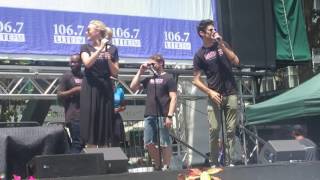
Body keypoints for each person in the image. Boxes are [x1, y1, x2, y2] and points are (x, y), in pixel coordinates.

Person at [192, 19, 240, 166]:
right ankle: (213, 162)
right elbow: (196, 80)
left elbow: (236, 60)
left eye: (214, 29)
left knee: (231, 129)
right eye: (210, 30)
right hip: (214, 95)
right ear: (202, 33)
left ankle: (230, 160)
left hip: (230, 92)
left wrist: (221, 44)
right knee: (214, 129)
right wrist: (210, 92)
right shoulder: (200, 54)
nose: (213, 32)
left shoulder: (222, 44)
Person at [130, 54, 177, 171]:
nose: (150, 66)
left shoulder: (168, 78)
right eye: (149, 63)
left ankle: (166, 166)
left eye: (152, 63)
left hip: (163, 114)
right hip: (149, 114)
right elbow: (133, 87)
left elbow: (174, 98)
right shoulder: (149, 79)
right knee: (148, 142)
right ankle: (158, 164)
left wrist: (169, 116)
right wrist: (140, 71)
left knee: (165, 141)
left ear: (161, 63)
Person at [80, 20, 119, 148]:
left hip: (105, 87)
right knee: (91, 121)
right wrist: (100, 49)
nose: (86, 32)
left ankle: (104, 159)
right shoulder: (86, 47)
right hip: (90, 87)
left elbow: (115, 72)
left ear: (97, 31)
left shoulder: (112, 49)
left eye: (89, 30)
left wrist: (108, 58)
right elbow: (87, 63)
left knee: (104, 123)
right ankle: (91, 155)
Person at [57, 53, 83, 153]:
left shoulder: (85, 76)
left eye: (75, 62)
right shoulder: (66, 76)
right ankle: (74, 166)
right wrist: (75, 90)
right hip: (73, 116)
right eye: (71, 62)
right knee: (77, 143)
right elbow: (59, 94)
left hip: (85, 115)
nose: (72, 64)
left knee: (84, 142)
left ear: (80, 63)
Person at [112, 77, 126, 147]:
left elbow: (124, 106)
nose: (112, 81)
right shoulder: (103, 89)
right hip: (106, 116)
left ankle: (115, 156)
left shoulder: (120, 90)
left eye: (113, 79)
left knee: (117, 137)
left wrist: (117, 109)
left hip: (116, 116)